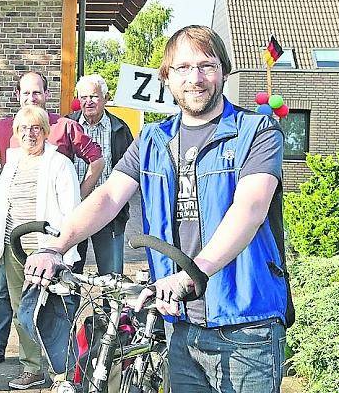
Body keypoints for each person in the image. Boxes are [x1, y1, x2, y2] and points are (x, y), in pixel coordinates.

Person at [24, 26, 294, 393]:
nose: (195, 78)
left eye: (206, 65)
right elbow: (108, 197)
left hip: (246, 323)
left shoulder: (257, 130)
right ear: (167, 78)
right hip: (178, 323)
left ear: (224, 72)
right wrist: (55, 245)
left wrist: (192, 274)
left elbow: (250, 207)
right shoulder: (153, 139)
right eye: (182, 68)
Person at [0, 71, 105, 372]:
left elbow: (96, 160)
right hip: (14, 237)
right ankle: (0, 350)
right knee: (5, 295)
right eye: (26, 93)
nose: (31, 98)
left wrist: (77, 206)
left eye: (37, 93)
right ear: (17, 96)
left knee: (59, 299)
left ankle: (65, 362)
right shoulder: (4, 128)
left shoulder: (65, 128)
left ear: (46, 95)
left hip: (51, 239)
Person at [0, 105, 82, 390]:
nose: (29, 134)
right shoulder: (13, 164)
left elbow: (73, 213)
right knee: (23, 313)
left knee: (55, 313)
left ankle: (64, 373)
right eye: (23, 129)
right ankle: (32, 369)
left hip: (48, 252)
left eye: (35, 128)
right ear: (16, 134)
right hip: (15, 250)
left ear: (45, 132)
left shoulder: (59, 165)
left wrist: (61, 251)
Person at [66, 74, 134, 276]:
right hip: (73, 211)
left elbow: (131, 169)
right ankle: (70, 310)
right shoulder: (66, 125)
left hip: (108, 211)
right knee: (69, 275)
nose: (88, 102)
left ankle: (109, 309)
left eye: (94, 96)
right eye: (83, 97)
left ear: (105, 98)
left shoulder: (120, 129)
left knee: (112, 275)